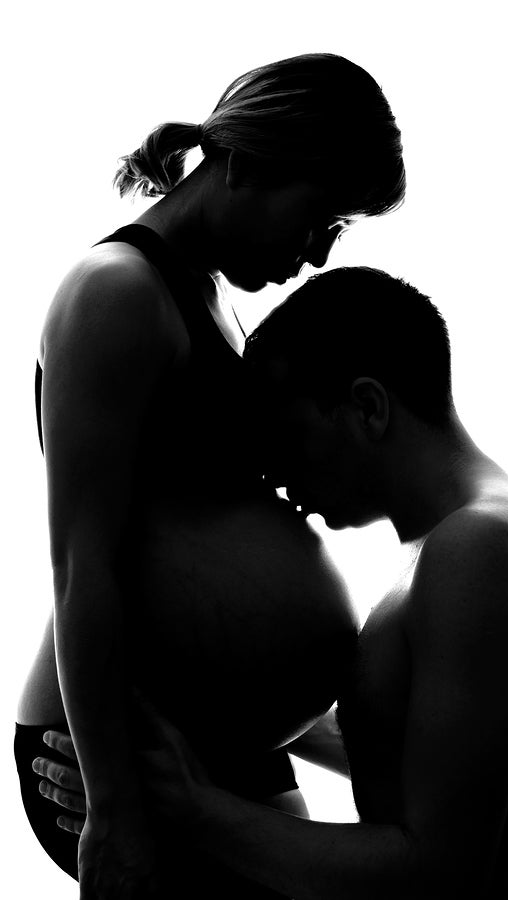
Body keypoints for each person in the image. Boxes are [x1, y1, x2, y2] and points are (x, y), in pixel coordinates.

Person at [36, 267, 508, 898]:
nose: (276, 478)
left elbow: (436, 874)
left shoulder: (484, 550)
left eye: (286, 437)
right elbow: (431, 759)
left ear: (366, 406)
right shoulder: (464, 544)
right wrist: (146, 748)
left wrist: (193, 805)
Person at [15, 55, 405, 900]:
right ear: (251, 162)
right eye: (318, 219)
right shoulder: (115, 293)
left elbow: (202, 560)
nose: (314, 255)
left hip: (225, 742)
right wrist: (113, 805)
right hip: (113, 743)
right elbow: (84, 568)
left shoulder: (209, 300)